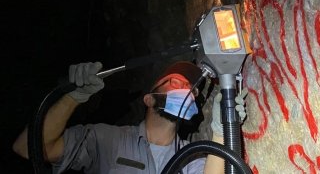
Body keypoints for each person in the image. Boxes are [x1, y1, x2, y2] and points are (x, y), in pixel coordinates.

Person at [12, 61, 247, 174]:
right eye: (175, 83)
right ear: (149, 99)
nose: (186, 91)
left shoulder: (192, 156)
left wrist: (220, 130)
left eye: (189, 89)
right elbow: (26, 148)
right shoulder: (107, 139)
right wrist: (75, 96)